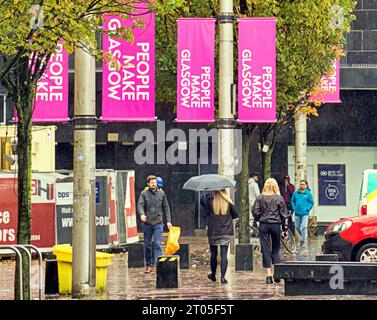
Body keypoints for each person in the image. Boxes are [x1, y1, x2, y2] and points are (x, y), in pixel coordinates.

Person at [252, 178, 289, 284]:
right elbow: (284, 215)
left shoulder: (260, 198)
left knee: (265, 248)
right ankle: (277, 274)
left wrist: (260, 218)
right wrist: (285, 229)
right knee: (276, 248)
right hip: (276, 225)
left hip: (264, 225)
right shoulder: (279, 198)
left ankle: (268, 275)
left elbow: (255, 211)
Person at [200, 189, 238, 284]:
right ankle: (222, 277)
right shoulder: (228, 203)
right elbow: (236, 215)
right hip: (225, 231)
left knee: (213, 254)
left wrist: (207, 195)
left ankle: (213, 274)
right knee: (224, 255)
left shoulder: (210, 201)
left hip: (213, 232)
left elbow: (204, 214)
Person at [137, 175, 172, 274]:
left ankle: (158, 264)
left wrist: (168, 221)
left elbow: (166, 208)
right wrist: (142, 214)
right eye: (152, 182)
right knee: (148, 245)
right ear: (148, 184)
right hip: (147, 223)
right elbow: (140, 205)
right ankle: (148, 265)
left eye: (155, 182)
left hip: (158, 223)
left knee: (157, 244)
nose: (154, 184)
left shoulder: (162, 194)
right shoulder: (144, 194)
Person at [291, 179, 314, 249]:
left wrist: (308, 208)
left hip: (305, 214)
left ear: (306, 186)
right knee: (297, 227)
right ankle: (303, 236)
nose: (302, 185)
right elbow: (292, 200)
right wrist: (294, 208)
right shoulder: (296, 193)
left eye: (303, 184)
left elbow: (311, 202)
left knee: (304, 227)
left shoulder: (308, 193)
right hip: (297, 213)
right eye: (301, 184)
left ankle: (303, 241)